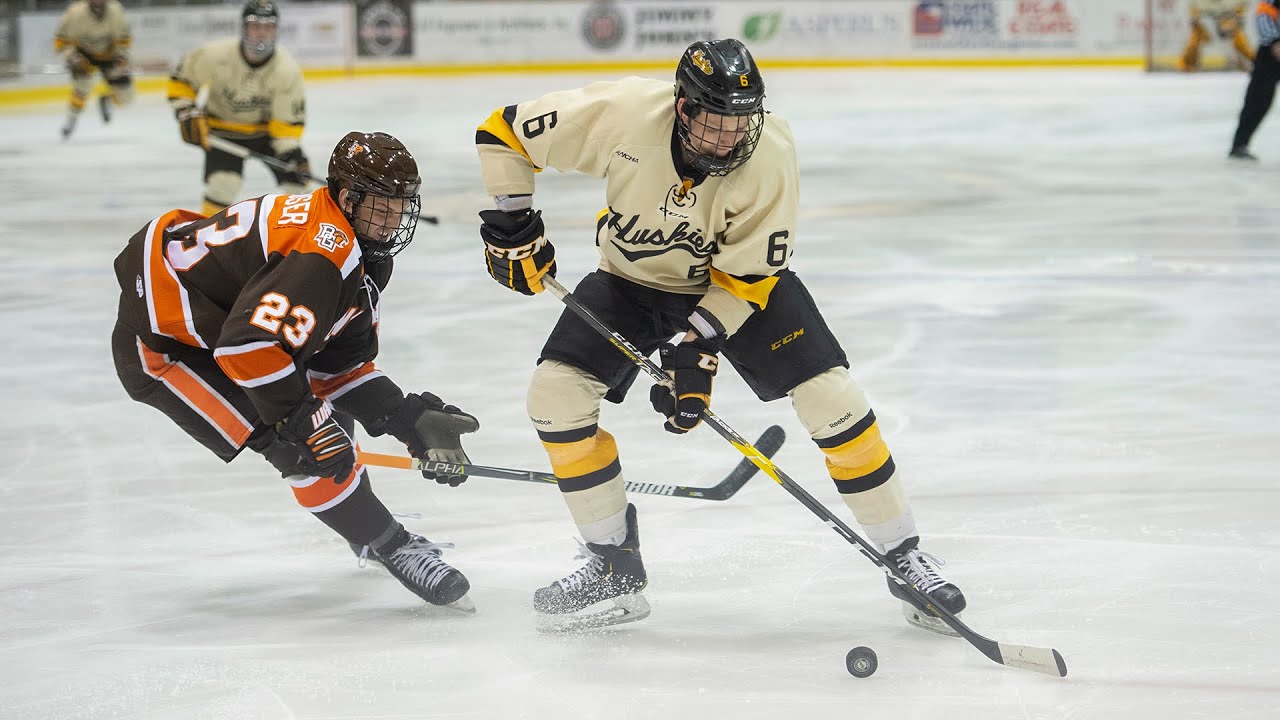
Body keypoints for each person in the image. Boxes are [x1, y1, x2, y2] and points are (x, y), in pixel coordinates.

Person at [473, 38, 967, 633]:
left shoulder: (770, 152)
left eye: (742, 122)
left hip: (735, 285)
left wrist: (696, 349)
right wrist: (512, 225)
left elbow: (749, 277)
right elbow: (504, 132)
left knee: (831, 397)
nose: (731, 139)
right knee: (555, 396)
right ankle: (612, 563)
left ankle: (904, 556)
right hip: (629, 281)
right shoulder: (625, 115)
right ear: (682, 107)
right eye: (716, 123)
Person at [112, 130, 480, 612]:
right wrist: (302, 423)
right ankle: (390, 544)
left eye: (401, 205)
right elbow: (249, 347)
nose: (394, 219)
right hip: (168, 348)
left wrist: (407, 418)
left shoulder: (358, 248)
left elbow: (335, 364)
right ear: (348, 199)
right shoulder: (324, 256)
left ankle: (362, 525)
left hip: (225, 330)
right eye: (382, 205)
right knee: (300, 446)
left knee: (320, 417)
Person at [166, 0, 310, 215]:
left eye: (268, 27)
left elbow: (285, 127)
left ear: (276, 30)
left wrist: (291, 156)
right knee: (223, 186)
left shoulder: (286, 69)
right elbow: (182, 80)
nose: (262, 33)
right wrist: (186, 111)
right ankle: (208, 234)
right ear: (244, 28)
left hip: (265, 134)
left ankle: (309, 233)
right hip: (224, 133)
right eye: (255, 26)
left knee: (300, 188)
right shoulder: (214, 56)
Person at [54, 0, 133, 140]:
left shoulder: (116, 10)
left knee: (126, 96)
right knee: (82, 89)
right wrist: (73, 57)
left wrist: (122, 57)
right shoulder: (75, 13)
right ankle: (71, 119)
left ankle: (106, 99)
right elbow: (61, 41)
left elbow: (124, 38)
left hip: (110, 54)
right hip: (83, 54)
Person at [1230, 1, 1280, 159]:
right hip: (1270, 55)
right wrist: (1274, 41)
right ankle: (1239, 144)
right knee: (1258, 101)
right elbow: (1264, 13)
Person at [1180, 1, 1253, 72]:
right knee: (1195, 38)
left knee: (1239, 38)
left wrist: (1234, 17)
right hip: (1205, 18)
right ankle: (1188, 65)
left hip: (1228, 16)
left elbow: (1240, 7)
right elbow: (1195, 11)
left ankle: (1252, 62)